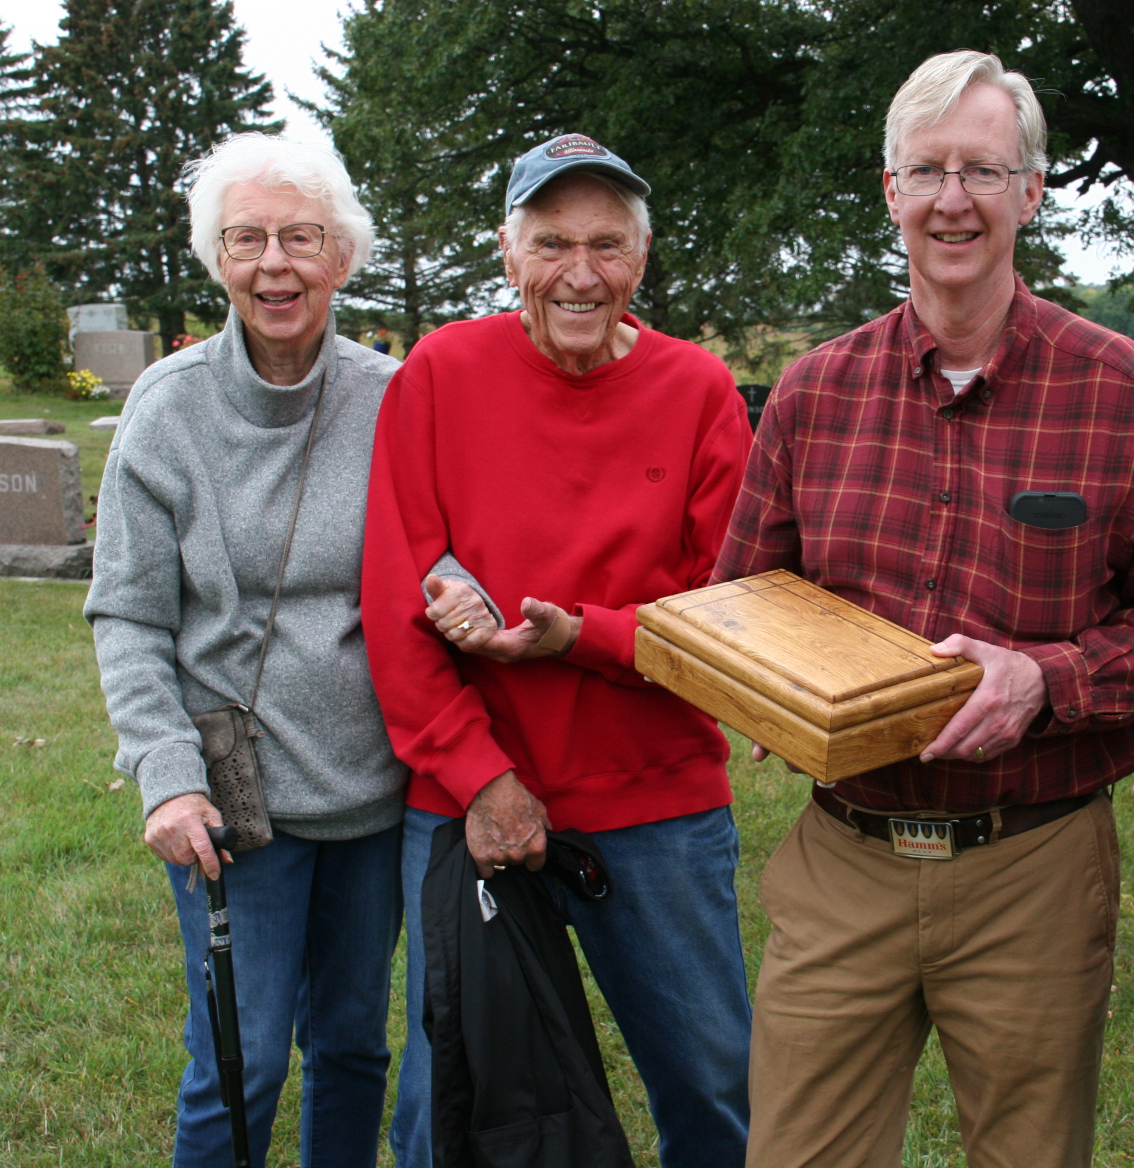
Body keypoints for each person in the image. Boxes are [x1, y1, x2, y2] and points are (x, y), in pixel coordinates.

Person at [715, 51, 1134, 1168]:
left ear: (1030, 192)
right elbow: (747, 598)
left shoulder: (1120, 392)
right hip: (845, 856)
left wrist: (1045, 678)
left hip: (1030, 863)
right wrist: (766, 688)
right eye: (928, 171)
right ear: (890, 190)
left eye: (983, 171)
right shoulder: (814, 391)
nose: (954, 200)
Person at [359, 133, 754, 1168]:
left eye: (607, 245)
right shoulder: (441, 373)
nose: (581, 273)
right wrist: (480, 779)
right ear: (508, 252)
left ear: (642, 257)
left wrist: (582, 636)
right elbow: (395, 600)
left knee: (714, 1087)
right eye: (552, 244)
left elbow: (729, 615)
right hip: (468, 799)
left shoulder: (699, 389)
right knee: (449, 1096)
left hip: (656, 800)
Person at [85, 133, 406, 1168]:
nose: (275, 263)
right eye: (247, 238)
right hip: (232, 803)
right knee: (241, 1060)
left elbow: (442, 560)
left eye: (301, 237)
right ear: (217, 258)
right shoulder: (165, 409)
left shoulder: (395, 396)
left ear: (341, 256)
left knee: (352, 1046)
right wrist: (167, 777)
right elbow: (128, 614)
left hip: (373, 794)